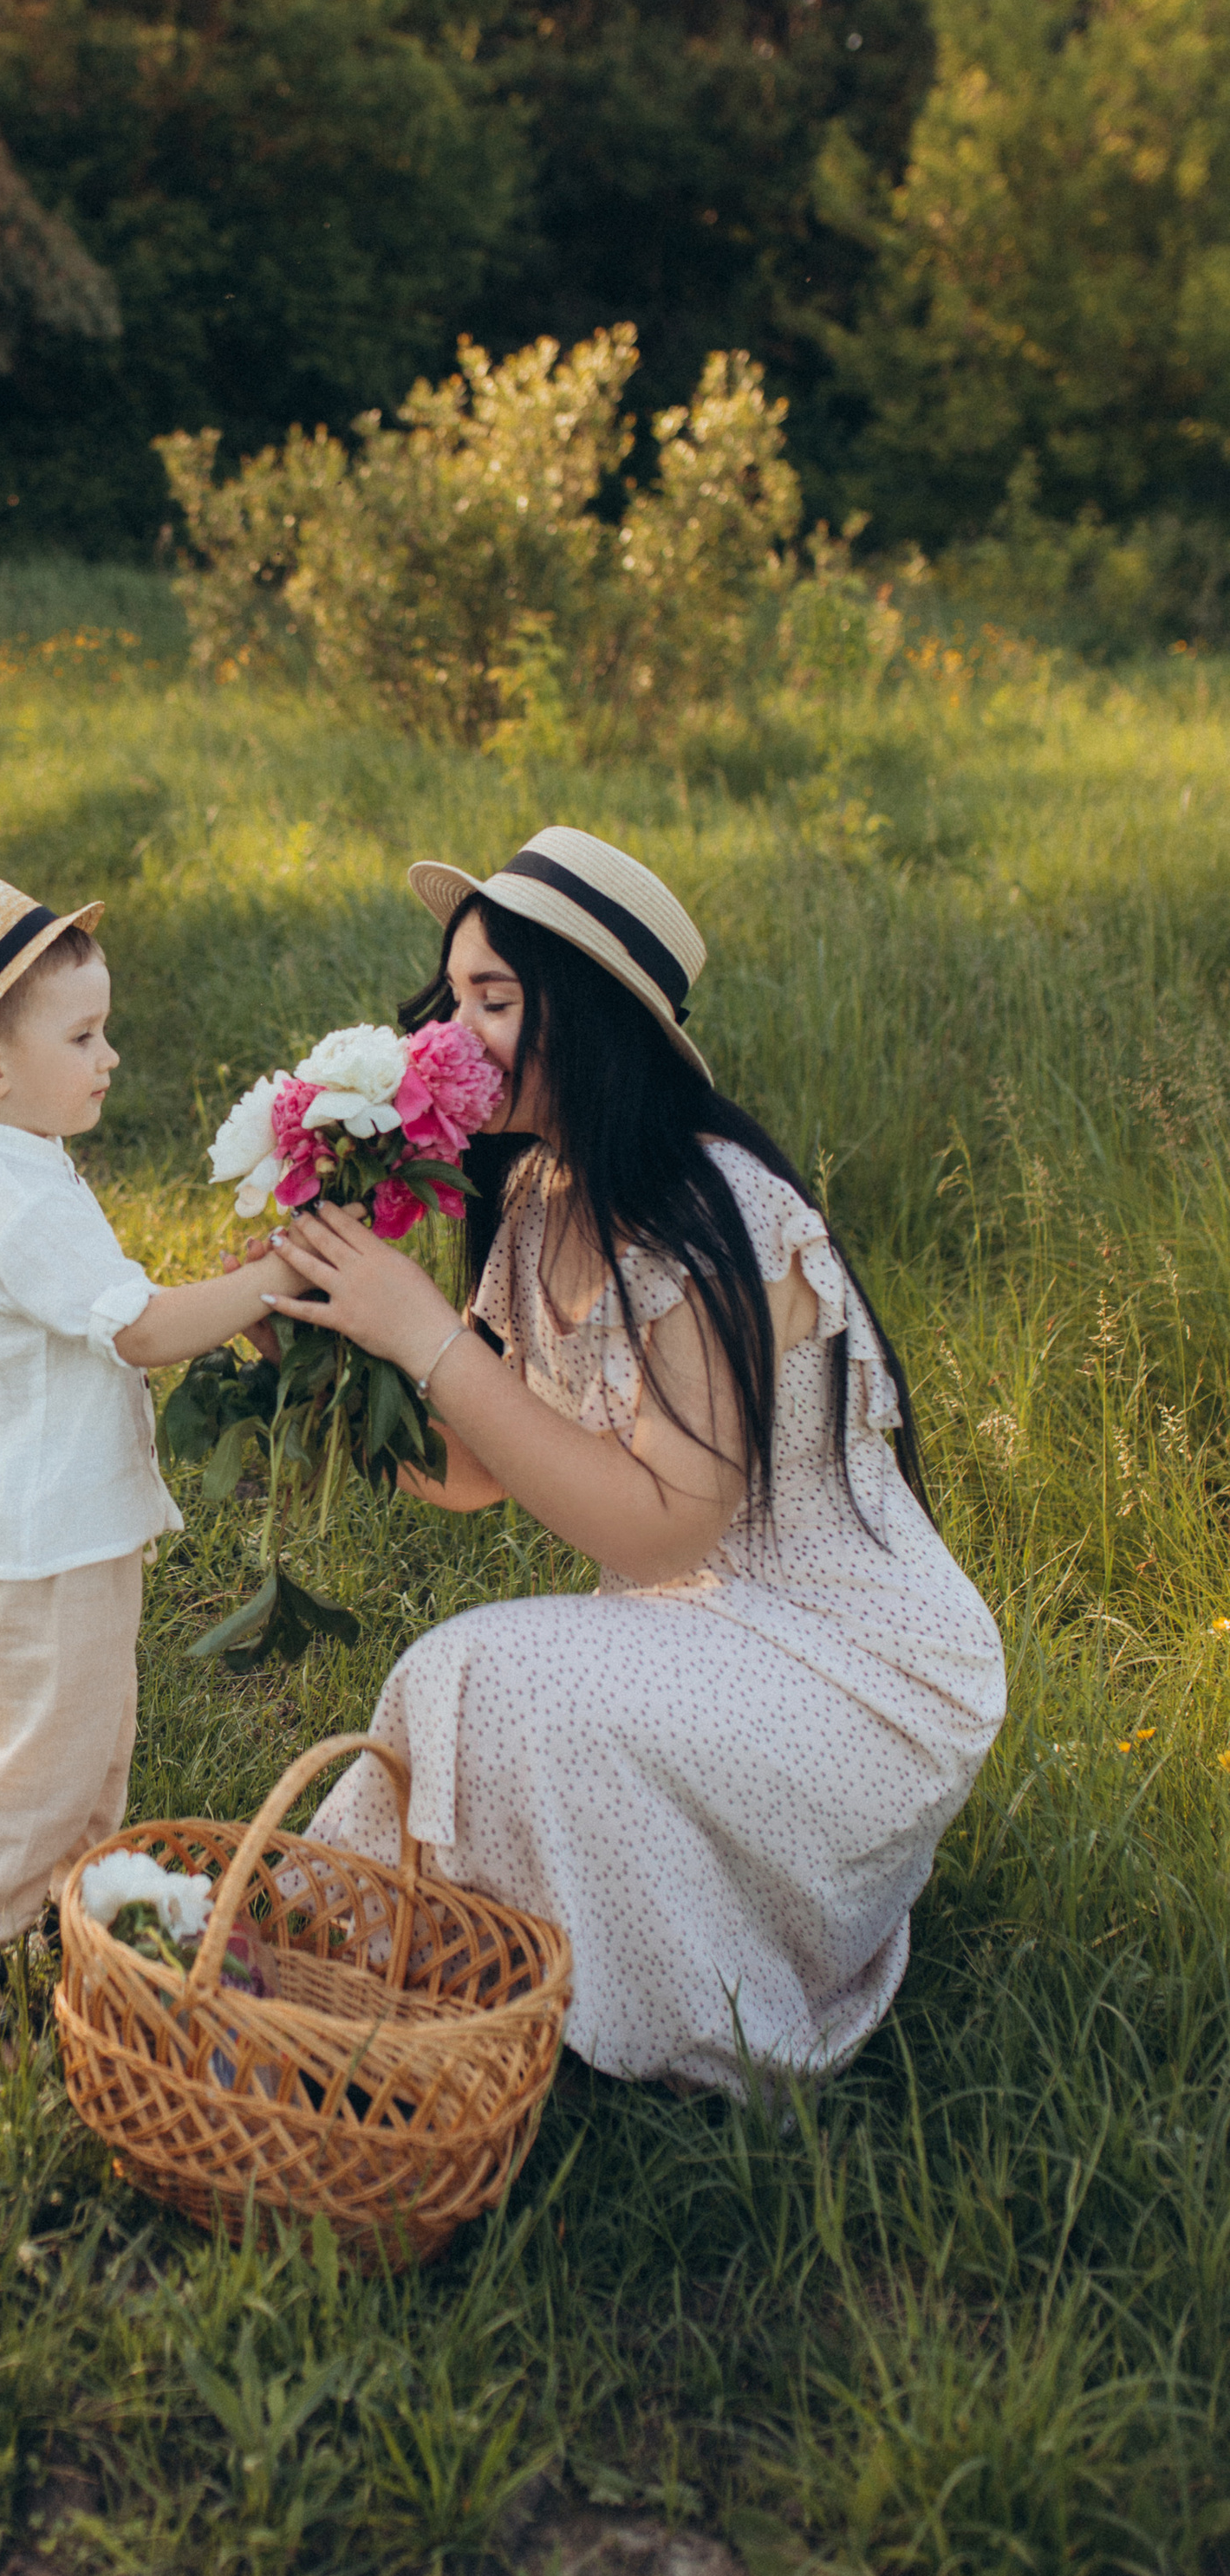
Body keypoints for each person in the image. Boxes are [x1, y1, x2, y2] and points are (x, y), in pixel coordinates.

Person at [267, 827, 1005, 2095]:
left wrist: (429, 1336)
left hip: (858, 1669)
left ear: (593, 1016)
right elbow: (479, 1466)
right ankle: (333, 1968)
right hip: (711, 1634)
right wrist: (332, 1354)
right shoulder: (544, 1201)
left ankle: (596, 1992)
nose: (455, 1029)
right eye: (453, 997)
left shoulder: (709, 1211)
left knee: (479, 1672)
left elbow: (660, 1534)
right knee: (482, 1681)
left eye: (497, 998)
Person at [0, 877, 305, 2073]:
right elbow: (144, 1332)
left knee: (87, 1743)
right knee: (46, 1757)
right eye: (83, 1036)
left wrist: (236, 1283)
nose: (111, 1056)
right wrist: (268, 1283)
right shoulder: (15, 1201)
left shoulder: (27, 1162)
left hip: (61, 1527)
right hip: (38, 1537)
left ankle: (78, 1909)